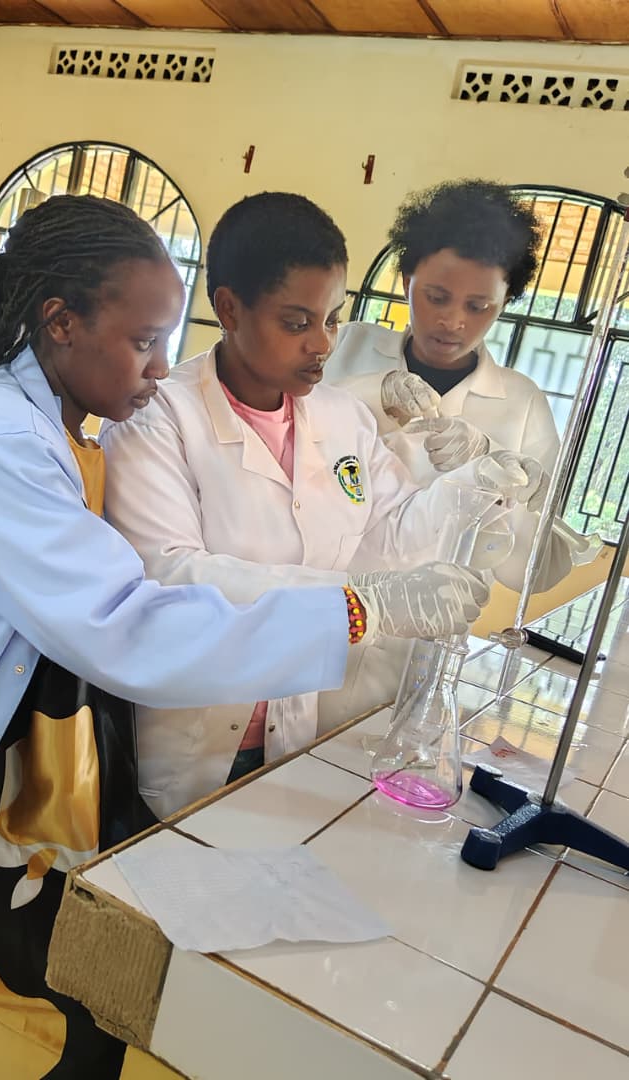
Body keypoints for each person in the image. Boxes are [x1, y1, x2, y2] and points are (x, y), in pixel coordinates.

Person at [0, 194, 490, 1080]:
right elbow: (129, 623)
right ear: (60, 323)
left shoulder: (43, 424)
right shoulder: (4, 446)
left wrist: (449, 499)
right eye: (143, 341)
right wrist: (360, 609)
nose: (161, 366)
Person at [100, 192, 546, 818]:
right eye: (296, 322)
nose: (323, 344)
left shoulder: (340, 418)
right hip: (188, 736)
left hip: (294, 728)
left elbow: (390, 531)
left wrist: (474, 483)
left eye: (333, 319)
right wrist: (361, 602)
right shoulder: (158, 418)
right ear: (228, 307)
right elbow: (172, 573)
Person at [324, 178, 586, 591]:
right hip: (316, 600)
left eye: (478, 306)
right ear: (407, 277)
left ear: (505, 301)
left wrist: (493, 471)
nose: (454, 321)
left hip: (427, 636)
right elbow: (284, 436)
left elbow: (536, 574)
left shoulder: (522, 404)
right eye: (436, 296)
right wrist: (376, 396)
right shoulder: (346, 346)